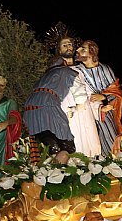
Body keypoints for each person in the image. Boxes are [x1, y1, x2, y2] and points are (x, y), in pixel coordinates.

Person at [24, 24, 85, 157]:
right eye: (64, 45)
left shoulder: (48, 74)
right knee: (66, 146)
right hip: (50, 106)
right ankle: (62, 174)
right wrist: (76, 109)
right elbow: (81, 98)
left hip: (31, 109)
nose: (69, 47)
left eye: (70, 44)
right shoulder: (68, 72)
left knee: (50, 146)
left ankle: (51, 172)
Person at [73, 40, 122, 156]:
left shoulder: (105, 69)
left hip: (107, 114)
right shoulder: (77, 72)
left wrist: (103, 96)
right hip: (87, 114)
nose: (77, 51)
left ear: (92, 52)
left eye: (83, 49)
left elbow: (116, 91)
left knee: (110, 138)